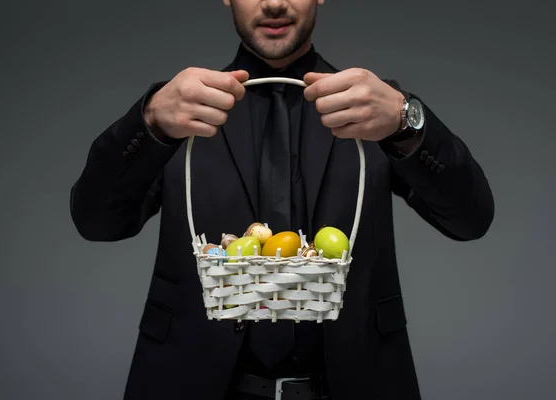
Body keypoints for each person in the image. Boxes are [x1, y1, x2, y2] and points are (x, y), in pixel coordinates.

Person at [69, 0, 494, 399]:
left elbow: (470, 220)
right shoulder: (179, 111)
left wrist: (406, 119)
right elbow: (96, 222)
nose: (273, 3)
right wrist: (149, 121)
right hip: (190, 381)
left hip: (358, 383)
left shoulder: (374, 108)